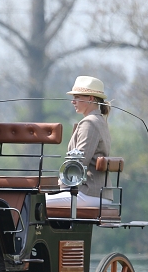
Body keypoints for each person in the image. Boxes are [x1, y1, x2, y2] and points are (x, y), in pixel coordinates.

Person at [46, 76, 112, 206]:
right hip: (96, 193)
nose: (73, 101)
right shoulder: (99, 121)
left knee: (33, 202)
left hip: (88, 192)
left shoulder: (90, 123)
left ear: (91, 98)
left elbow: (78, 163)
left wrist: (60, 186)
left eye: (77, 97)